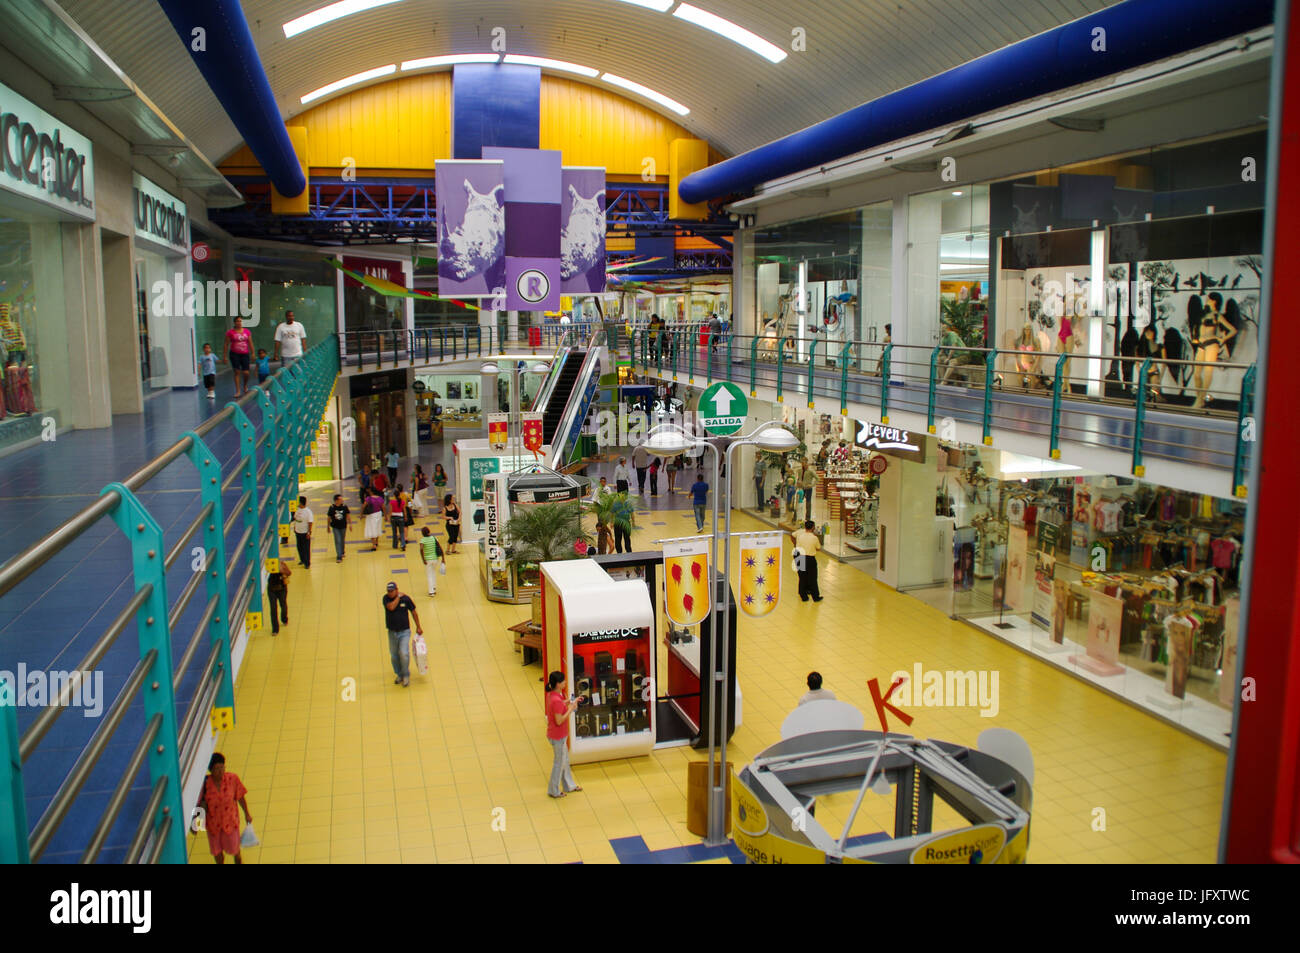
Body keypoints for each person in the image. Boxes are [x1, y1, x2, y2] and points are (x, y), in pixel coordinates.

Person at [195, 753, 251, 865]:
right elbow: (199, 805)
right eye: (217, 768)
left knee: (235, 850)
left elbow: (240, 796)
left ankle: (238, 861)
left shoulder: (232, 779)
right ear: (211, 770)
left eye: (222, 767)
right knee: (217, 855)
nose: (220, 771)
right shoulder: (205, 785)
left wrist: (247, 814)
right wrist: (197, 825)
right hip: (213, 827)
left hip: (230, 823)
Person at [1191, 291, 1237, 408]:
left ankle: (1199, 400)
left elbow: (1233, 330)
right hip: (1201, 344)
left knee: (1207, 372)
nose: (1207, 300)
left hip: (1211, 344)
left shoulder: (1217, 315)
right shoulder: (1204, 314)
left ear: (1214, 301)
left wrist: (1222, 339)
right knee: (1196, 374)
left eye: (1209, 298)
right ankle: (1200, 399)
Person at [545, 671, 582, 798]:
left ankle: (568, 785)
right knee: (559, 763)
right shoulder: (556, 700)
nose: (565, 683)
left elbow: (560, 704)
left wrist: (570, 701)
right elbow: (559, 720)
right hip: (558, 737)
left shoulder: (553, 695)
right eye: (563, 681)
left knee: (564, 760)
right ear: (558, 684)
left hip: (559, 736)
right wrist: (571, 709)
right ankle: (553, 790)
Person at [382, 581, 422, 688]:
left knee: (403, 653)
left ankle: (405, 675)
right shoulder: (386, 599)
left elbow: (413, 612)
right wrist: (398, 598)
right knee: (394, 655)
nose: (390, 593)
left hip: (404, 632)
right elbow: (391, 607)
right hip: (392, 632)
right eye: (389, 591)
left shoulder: (406, 599)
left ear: (397, 590)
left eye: (392, 591)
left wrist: (418, 626)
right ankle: (399, 674)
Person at [792, 520, 824, 602]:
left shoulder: (801, 536)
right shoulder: (814, 538)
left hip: (799, 557)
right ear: (813, 527)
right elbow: (818, 548)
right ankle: (815, 597)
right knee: (812, 578)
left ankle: (803, 596)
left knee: (802, 577)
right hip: (810, 559)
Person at [222, 316, 253, 398]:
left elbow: (250, 342)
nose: (239, 323)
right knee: (237, 372)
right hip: (234, 354)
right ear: (235, 323)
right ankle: (238, 390)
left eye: (240, 321)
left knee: (246, 372)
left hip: (245, 353)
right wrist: (224, 356)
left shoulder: (247, 331)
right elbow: (226, 344)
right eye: (237, 321)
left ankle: (245, 385)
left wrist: (253, 353)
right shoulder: (230, 332)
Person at [418, 526, 446, 596]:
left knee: (429, 575)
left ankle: (431, 592)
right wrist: (443, 558)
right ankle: (434, 588)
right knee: (433, 573)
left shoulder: (422, 540)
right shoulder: (434, 538)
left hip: (428, 560)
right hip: (435, 558)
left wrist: (423, 559)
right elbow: (440, 547)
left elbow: (421, 549)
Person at [266, 560, 291, 634]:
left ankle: (284, 619)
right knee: (273, 608)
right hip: (272, 589)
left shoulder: (281, 564)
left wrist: (282, 570)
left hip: (281, 589)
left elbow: (289, 573)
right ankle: (275, 629)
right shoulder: (269, 564)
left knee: (283, 605)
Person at [326, 494, 351, 563]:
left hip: (343, 526)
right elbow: (329, 517)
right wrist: (328, 526)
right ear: (336, 500)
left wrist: (350, 524)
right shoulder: (332, 508)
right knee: (338, 540)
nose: (342, 500)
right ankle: (339, 556)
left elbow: (348, 515)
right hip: (335, 526)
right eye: (340, 499)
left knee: (342, 539)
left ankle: (342, 551)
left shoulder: (344, 507)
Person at [362, 486, 385, 551]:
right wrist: (385, 515)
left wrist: (361, 514)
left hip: (371, 515)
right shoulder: (380, 498)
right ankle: (377, 542)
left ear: (371, 492)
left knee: (371, 528)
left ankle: (374, 545)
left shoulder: (368, 498)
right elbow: (383, 507)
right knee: (377, 527)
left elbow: (363, 506)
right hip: (379, 514)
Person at [292, 495, 313, 568]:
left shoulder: (308, 512)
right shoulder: (297, 510)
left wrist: (309, 532)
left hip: (305, 532)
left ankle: (307, 563)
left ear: (301, 503)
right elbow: (295, 519)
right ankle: (302, 560)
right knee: (299, 547)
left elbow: (310, 522)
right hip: (298, 532)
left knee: (306, 548)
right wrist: (295, 527)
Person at [387, 484, 409, 550]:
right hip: (400, 517)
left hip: (393, 518)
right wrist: (405, 517)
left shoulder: (392, 502)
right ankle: (403, 544)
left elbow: (390, 511)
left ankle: (395, 545)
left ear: (394, 495)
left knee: (394, 532)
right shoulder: (402, 502)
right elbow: (404, 510)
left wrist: (388, 518)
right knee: (401, 532)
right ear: (399, 495)